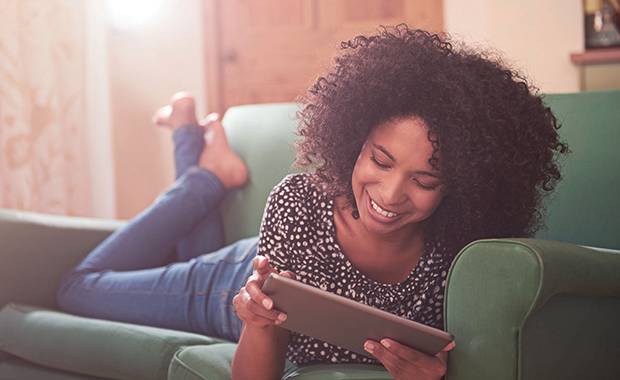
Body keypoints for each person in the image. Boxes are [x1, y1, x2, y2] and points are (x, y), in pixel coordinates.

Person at [57, 25, 568, 380]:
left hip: (260, 259)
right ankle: (209, 174)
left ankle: (191, 133)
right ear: (353, 141)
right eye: (380, 161)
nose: (390, 196)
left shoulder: (462, 259)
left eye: (426, 180)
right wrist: (256, 321)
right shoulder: (298, 200)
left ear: (462, 186)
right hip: (235, 279)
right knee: (78, 289)